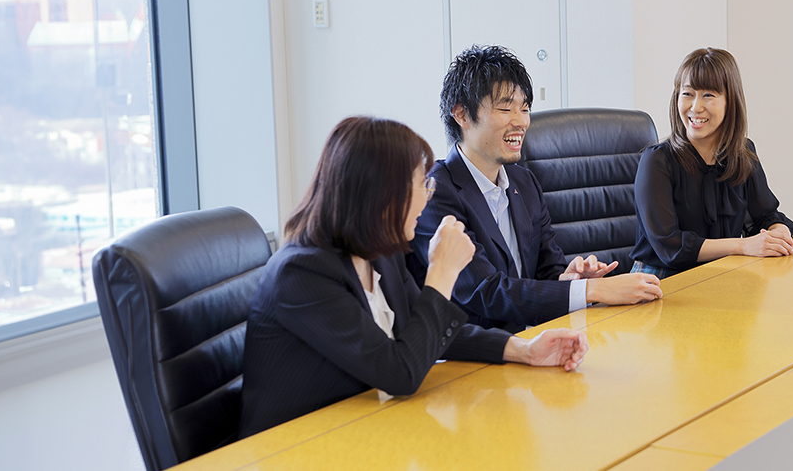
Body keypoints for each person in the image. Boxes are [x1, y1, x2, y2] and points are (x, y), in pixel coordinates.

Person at [239, 116, 589, 438]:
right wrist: (441, 273)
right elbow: (399, 373)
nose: (427, 198)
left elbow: (427, 331)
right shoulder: (302, 273)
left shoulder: (380, 252)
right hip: (300, 446)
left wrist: (523, 350)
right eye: (421, 185)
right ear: (379, 195)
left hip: (368, 428)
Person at [410, 45, 662, 333]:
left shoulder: (524, 182)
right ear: (462, 115)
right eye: (505, 108)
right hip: (479, 350)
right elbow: (485, 292)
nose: (521, 121)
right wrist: (591, 291)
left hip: (539, 340)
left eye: (525, 108)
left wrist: (570, 281)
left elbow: (547, 271)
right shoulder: (435, 191)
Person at [630, 47, 793, 278]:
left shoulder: (742, 153)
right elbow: (671, 246)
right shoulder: (657, 160)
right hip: (659, 279)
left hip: (718, 274)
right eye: (687, 94)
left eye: (708, 95)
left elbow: (765, 215)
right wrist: (743, 245)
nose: (695, 107)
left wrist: (778, 232)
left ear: (731, 101)